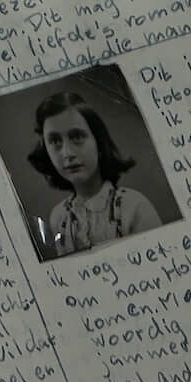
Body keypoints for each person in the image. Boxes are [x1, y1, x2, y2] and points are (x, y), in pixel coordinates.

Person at [28, 88, 162, 258]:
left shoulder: (134, 207)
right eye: (55, 141)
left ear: (98, 141)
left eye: (77, 137)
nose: (67, 153)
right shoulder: (59, 218)